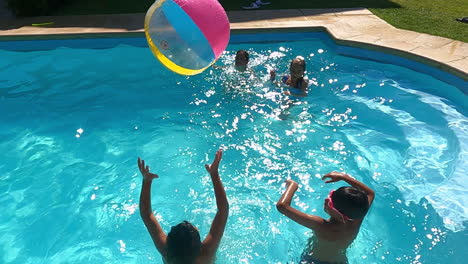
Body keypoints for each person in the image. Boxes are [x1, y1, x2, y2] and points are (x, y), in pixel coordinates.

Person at [138, 149, 229, 264]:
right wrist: (214, 174)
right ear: (200, 247)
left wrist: (146, 181)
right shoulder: (206, 254)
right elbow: (223, 210)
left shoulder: (168, 254)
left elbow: (146, 214)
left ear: (169, 244)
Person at [276, 172, 375, 264]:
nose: (326, 199)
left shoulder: (321, 225)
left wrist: (293, 185)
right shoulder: (356, 220)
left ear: (339, 214)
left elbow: (282, 206)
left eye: (330, 202)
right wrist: (343, 177)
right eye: (331, 195)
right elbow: (370, 193)